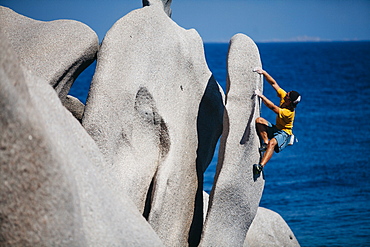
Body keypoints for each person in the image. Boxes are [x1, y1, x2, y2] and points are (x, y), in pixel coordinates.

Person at [253, 68, 301, 173]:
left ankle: (260, 166)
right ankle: (264, 143)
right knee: (259, 121)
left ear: (289, 101)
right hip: (276, 128)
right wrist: (264, 72)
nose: (286, 94)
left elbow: (273, 108)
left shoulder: (289, 113)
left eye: (288, 95)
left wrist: (261, 96)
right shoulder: (285, 97)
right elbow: (274, 84)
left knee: (272, 143)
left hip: (285, 133)